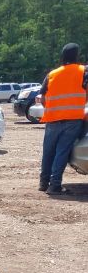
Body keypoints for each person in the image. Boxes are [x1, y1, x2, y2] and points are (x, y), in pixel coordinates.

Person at [37, 43, 88, 195]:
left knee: (48, 151)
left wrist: (53, 109)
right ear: (77, 55)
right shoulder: (83, 71)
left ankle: (43, 182)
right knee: (62, 152)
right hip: (73, 119)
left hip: (52, 118)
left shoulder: (52, 74)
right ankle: (55, 185)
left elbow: (43, 97)